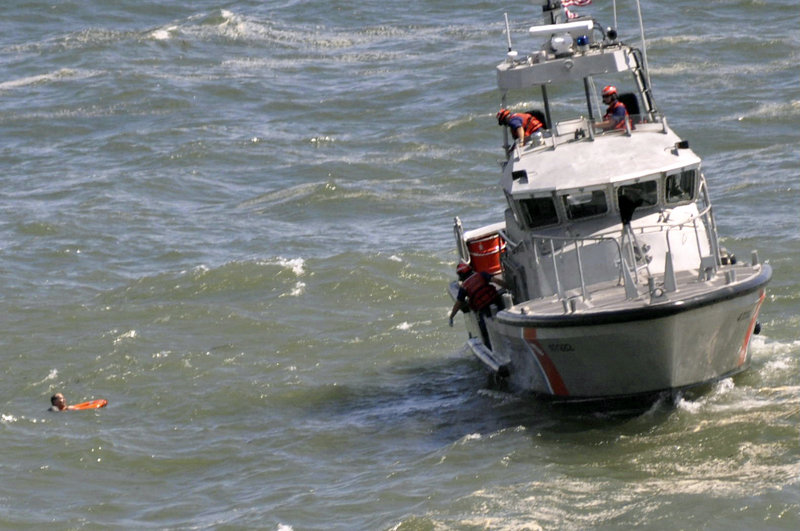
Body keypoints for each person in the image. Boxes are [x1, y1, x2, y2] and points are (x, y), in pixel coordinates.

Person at [449, 262, 505, 348]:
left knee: (484, 330)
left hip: (483, 308)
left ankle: (490, 348)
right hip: (496, 301)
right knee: (502, 320)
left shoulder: (464, 287)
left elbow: (458, 303)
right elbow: (496, 280)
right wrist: (509, 286)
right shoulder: (481, 274)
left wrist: (452, 316)